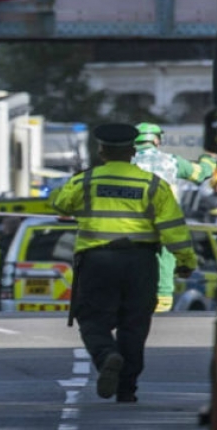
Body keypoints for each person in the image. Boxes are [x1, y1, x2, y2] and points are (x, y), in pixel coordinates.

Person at [52, 123, 197, 403]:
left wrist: (73, 186)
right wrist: (185, 261)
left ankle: (108, 355)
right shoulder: (153, 184)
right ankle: (126, 388)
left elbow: (59, 204)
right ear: (132, 151)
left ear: (101, 150)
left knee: (93, 320)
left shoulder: (86, 181)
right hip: (140, 263)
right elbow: (174, 228)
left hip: (97, 262)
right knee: (135, 324)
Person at [131, 122, 216, 312]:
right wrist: (209, 160)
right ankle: (162, 301)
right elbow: (200, 174)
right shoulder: (171, 161)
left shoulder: (126, 163)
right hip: (164, 224)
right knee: (165, 259)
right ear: (155, 140)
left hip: (132, 225)